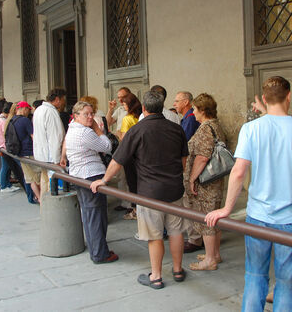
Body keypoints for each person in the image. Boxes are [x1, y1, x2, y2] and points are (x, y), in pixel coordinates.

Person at [205, 76, 292, 311]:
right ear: (289, 97)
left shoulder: (251, 129)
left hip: (258, 216)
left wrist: (227, 209)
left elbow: (238, 171)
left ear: (265, 99)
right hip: (290, 218)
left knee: (255, 276)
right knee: (288, 280)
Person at [91, 91, 189, 290]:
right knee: (177, 232)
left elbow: (118, 160)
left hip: (150, 193)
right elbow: (184, 161)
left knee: (155, 236)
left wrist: (104, 179)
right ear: (161, 107)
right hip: (174, 190)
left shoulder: (137, 130)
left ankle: (156, 276)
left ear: (144, 108)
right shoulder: (176, 129)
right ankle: (178, 270)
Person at [66, 101, 117, 264]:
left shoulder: (72, 128)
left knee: (89, 214)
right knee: (95, 215)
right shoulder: (85, 132)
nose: (90, 117)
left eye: (91, 114)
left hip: (79, 175)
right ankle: (100, 253)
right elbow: (107, 146)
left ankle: (97, 248)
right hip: (91, 175)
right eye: (86, 114)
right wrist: (97, 129)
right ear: (76, 116)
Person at [184, 93, 226, 270]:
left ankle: (209, 260)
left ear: (202, 110)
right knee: (214, 216)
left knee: (207, 218)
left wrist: (192, 178)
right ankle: (215, 253)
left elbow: (202, 157)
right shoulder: (216, 125)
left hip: (206, 181)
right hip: (215, 179)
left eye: (194, 109)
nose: (193, 112)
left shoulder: (205, 128)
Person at [173, 90, 202, 253]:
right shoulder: (188, 118)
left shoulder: (190, 119)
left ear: (186, 102)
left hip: (189, 166)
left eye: (177, 101)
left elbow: (184, 144)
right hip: (190, 165)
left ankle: (195, 238)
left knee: (189, 202)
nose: (174, 104)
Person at [33, 89, 66, 195]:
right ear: (57, 99)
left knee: (44, 182)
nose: (64, 103)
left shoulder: (38, 110)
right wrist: (57, 159)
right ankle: (50, 208)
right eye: (63, 100)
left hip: (41, 155)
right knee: (51, 186)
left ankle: (44, 206)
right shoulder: (51, 112)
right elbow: (55, 138)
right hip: (50, 157)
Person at [105, 87, 132, 212]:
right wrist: (110, 109)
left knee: (131, 176)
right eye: (119, 97)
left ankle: (133, 203)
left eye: (123, 97)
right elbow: (108, 122)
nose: (120, 100)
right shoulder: (120, 109)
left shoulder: (134, 110)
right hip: (120, 146)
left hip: (130, 146)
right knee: (121, 175)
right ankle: (125, 202)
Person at [118, 92, 142, 220]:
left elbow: (124, 139)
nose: (124, 106)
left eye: (125, 104)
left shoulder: (127, 118)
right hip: (141, 154)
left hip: (130, 155)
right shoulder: (141, 116)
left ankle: (135, 210)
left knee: (132, 183)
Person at [14, 101, 42, 204]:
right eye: (28, 109)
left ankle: (38, 198)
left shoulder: (12, 120)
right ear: (24, 109)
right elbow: (33, 136)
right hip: (30, 152)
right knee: (40, 176)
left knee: (30, 179)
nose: (28, 112)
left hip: (20, 153)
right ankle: (42, 199)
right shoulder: (25, 120)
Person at [0, 101, 20, 193]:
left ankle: (6, 184)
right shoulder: (3, 121)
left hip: (1, 146)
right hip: (4, 147)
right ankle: (4, 185)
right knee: (5, 167)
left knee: (6, 166)